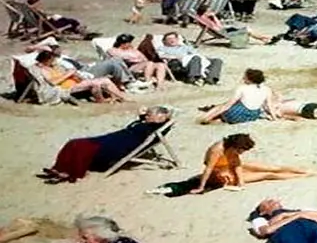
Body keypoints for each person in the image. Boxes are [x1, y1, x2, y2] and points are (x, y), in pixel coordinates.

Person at [40, 107, 173, 183]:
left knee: (79, 146)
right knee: (73, 143)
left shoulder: (152, 127)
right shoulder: (146, 124)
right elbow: (136, 125)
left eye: (150, 114)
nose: (146, 116)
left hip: (115, 146)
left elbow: (159, 125)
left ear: (159, 119)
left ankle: (71, 173)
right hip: (111, 140)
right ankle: (59, 168)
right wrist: (142, 117)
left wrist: (162, 119)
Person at [190, 134, 314, 194]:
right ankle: (303, 176)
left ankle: (305, 171)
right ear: (234, 146)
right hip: (221, 173)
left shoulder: (233, 150)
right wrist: (201, 187)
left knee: (273, 167)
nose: (241, 152)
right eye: (240, 150)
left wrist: (240, 180)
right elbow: (208, 169)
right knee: (267, 174)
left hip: (229, 166)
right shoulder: (217, 150)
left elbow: (237, 164)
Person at [34, 50, 129, 103]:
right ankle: (102, 101)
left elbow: (66, 74)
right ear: (46, 60)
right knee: (96, 83)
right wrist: (68, 74)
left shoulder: (54, 67)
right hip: (68, 87)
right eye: (52, 60)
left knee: (105, 80)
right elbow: (53, 82)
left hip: (75, 82)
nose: (54, 62)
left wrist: (76, 75)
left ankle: (120, 97)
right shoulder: (43, 70)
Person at [199, 69, 277, 124]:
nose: (243, 78)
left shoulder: (242, 88)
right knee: (224, 114)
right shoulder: (267, 89)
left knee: (221, 106)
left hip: (238, 113)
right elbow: (269, 105)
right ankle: (215, 120)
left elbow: (227, 105)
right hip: (253, 115)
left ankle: (205, 118)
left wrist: (211, 116)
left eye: (245, 77)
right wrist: (274, 118)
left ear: (250, 79)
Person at [156, 32, 223, 85]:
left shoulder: (184, 46)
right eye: (169, 39)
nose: (172, 40)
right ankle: (194, 78)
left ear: (177, 39)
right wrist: (176, 57)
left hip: (192, 59)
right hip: (177, 63)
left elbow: (195, 52)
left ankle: (211, 79)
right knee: (196, 58)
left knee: (217, 60)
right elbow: (161, 56)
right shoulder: (163, 48)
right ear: (165, 41)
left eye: (174, 38)